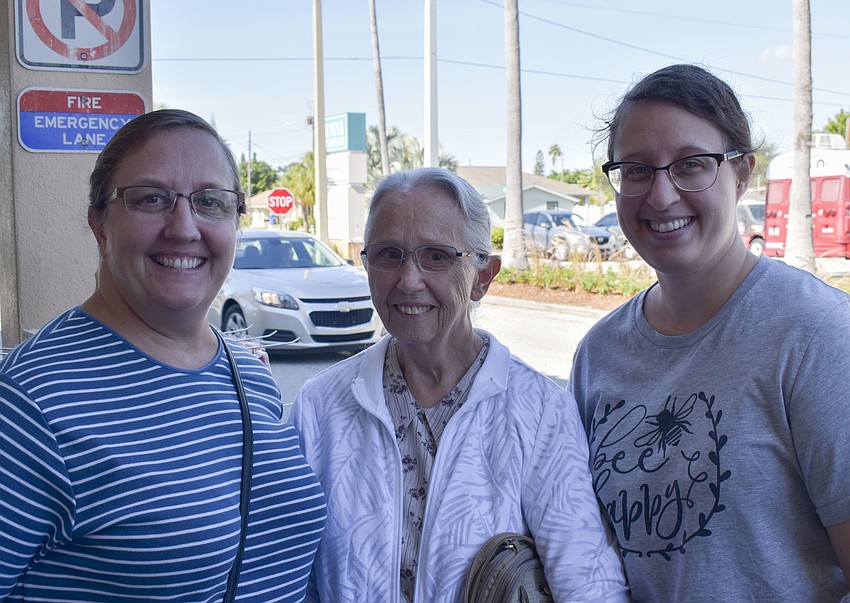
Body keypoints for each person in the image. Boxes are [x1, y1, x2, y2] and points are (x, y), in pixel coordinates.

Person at [0, 109, 326, 601]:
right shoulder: (29, 404)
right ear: (99, 225)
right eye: (151, 199)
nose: (184, 227)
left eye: (210, 202)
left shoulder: (250, 377)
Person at [570, 64, 850, 601]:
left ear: (742, 173)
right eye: (636, 169)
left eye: (691, 165)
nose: (660, 195)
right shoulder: (599, 354)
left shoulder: (814, 335)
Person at [290, 167, 629, 602]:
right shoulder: (320, 408)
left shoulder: (539, 411)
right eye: (389, 254)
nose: (409, 280)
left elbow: (588, 584)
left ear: (483, 277)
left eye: (436, 256)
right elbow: (293, 577)